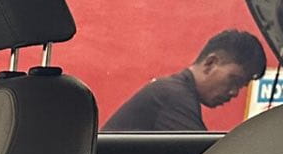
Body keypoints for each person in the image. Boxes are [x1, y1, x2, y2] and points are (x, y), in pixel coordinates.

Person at [102, 29, 268, 132]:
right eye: (234, 80)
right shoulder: (173, 95)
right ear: (210, 63)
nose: (234, 92)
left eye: (241, 86)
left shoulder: (174, 91)